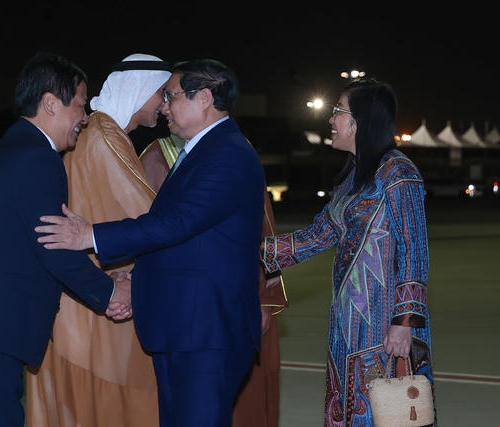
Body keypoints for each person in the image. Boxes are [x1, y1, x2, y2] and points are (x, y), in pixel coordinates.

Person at [36, 58, 267, 426]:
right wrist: (133, 280)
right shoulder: (202, 151)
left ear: (204, 98)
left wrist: (89, 235)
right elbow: (183, 240)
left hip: (205, 333)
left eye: (171, 96)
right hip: (185, 328)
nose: (163, 106)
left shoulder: (227, 155)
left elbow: (175, 224)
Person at [0, 52, 132, 427]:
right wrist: (110, 293)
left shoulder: (16, 149)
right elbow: (52, 247)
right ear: (51, 103)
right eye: (80, 105)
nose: (85, 117)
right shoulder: (37, 158)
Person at [261, 78, 436, 426]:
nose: (331, 119)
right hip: (347, 323)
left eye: (338, 111)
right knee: (347, 405)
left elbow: (415, 251)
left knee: (389, 414)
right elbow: (318, 235)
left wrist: (404, 322)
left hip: (385, 328)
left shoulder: (398, 173)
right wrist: (253, 250)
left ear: (361, 121)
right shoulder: (352, 180)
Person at [25, 53, 171, 427]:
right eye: (162, 94)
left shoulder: (95, 133)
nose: (164, 105)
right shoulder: (105, 136)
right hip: (99, 300)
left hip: (79, 293)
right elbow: (151, 220)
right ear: (140, 90)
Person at [140, 132, 288, 427]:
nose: (166, 110)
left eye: (172, 104)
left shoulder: (233, 150)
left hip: (229, 303)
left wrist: (265, 296)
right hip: (174, 311)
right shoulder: (156, 155)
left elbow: (260, 229)